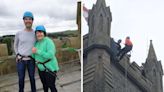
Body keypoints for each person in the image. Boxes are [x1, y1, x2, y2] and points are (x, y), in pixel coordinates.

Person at [32, 25, 59, 92]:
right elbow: (34, 55)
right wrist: (33, 53)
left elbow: (50, 55)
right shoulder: (36, 43)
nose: (39, 34)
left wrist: (38, 51)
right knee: (44, 85)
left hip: (50, 68)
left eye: (41, 32)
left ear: (44, 33)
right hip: (41, 68)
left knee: (51, 85)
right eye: (37, 33)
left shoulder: (48, 41)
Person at [14, 11, 36, 92]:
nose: (28, 21)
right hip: (21, 60)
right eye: (26, 19)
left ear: (32, 21)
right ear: (23, 21)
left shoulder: (35, 33)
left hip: (31, 60)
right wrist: (17, 55)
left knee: (32, 78)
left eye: (30, 19)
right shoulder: (19, 33)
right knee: (21, 79)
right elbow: (15, 45)